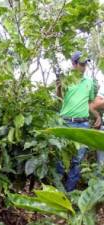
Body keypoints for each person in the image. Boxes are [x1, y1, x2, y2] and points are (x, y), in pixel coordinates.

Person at [56, 51, 96, 191]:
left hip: (83, 124)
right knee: (61, 158)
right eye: (81, 64)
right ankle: (57, 192)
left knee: (77, 161)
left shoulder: (90, 82)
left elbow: (89, 103)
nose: (84, 67)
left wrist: (97, 116)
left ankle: (69, 193)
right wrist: (59, 86)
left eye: (85, 64)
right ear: (73, 64)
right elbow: (59, 98)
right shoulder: (66, 80)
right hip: (66, 123)